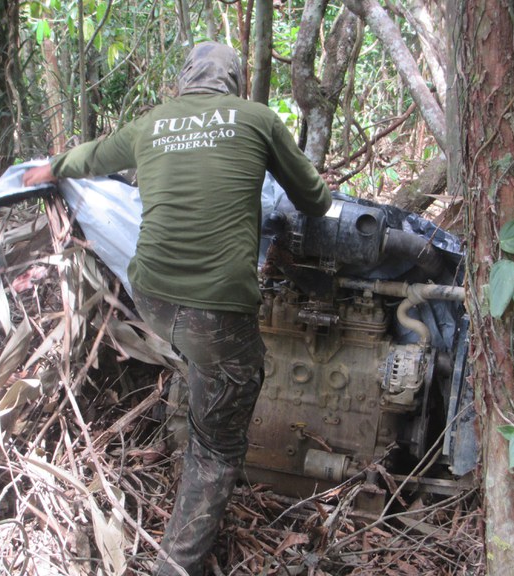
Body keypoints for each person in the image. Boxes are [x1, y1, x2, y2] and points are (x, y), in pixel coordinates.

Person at [23, 41, 332, 576]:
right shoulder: (257, 118)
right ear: (234, 81)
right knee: (217, 447)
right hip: (215, 311)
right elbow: (314, 199)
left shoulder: (152, 123)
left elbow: (93, 156)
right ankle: (176, 564)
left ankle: (195, 417)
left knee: (203, 361)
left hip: (154, 300)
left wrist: (52, 167)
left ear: (185, 80)